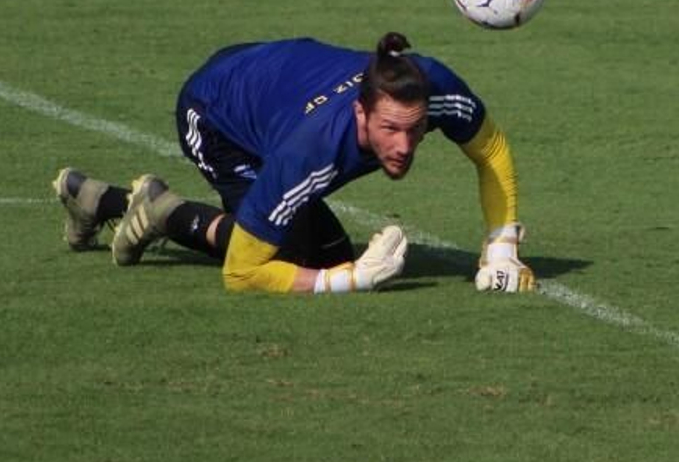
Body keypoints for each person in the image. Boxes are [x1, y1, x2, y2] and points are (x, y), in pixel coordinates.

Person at [52, 32, 535, 295]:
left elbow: (489, 148)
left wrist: (502, 248)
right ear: (360, 111)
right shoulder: (311, 152)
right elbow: (240, 275)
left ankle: (107, 201)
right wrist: (349, 281)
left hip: (270, 78)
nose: (406, 145)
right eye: (390, 129)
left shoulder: (433, 88)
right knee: (289, 258)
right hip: (216, 112)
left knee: (325, 249)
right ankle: (163, 211)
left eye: (415, 129)